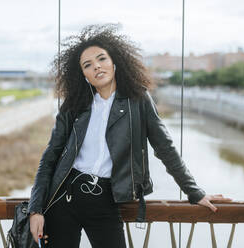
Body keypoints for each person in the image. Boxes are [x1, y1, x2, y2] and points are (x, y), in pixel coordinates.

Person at [28, 24, 231, 248]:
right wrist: (35, 209)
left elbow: (165, 148)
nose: (96, 66)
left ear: (115, 62)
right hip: (64, 197)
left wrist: (194, 192)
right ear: (84, 75)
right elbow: (50, 157)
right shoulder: (74, 105)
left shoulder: (138, 100)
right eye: (88, 65)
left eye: (101, 59)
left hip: (106, 199)